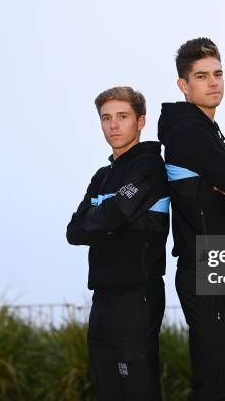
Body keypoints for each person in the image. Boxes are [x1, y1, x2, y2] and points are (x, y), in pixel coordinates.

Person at [157, 37, 225, 400]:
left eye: (218, 74)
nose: (213, 82)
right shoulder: (188, 132)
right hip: (207, 263)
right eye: (202, 76)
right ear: (183, 85)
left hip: (223, 261)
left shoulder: (208, 133)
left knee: (224, 374)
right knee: (215, 378)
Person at [66, 86, 169, 400]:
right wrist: (106, 221)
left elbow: (116, 213)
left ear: (140, 122)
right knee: (107, 388)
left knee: (137, 389)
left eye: (122, 117)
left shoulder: (150, 167)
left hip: (136, 294)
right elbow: (74, 231)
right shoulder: (102, 176)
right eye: (106, 118)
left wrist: (103, 222)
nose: (113, 125)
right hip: (103, 297)